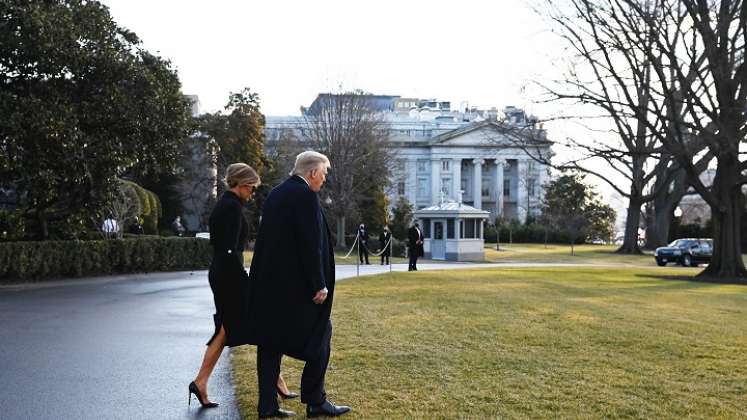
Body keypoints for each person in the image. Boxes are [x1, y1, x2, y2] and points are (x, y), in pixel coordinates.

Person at [246, 151, 351, 418]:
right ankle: (316, 401)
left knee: (270, 343)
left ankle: (267, 406)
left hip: (269, 288)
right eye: (324, 174)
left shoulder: (277, 193)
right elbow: (309, 244)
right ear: (312, 173)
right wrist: (319, 283)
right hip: (294, 290)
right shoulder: (304, 196)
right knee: (322, 331)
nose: (324, 180)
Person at [189, 163, 296, 409]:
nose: (252, 192)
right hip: (229, 275)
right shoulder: (230, 208)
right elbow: (228, 251)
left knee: (228, 328)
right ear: (241, 183)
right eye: (251, 187)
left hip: (225, 273)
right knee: (254, 323)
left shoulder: (228, 205)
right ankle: (274, 381)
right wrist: (245, 281)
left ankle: (202, 382)